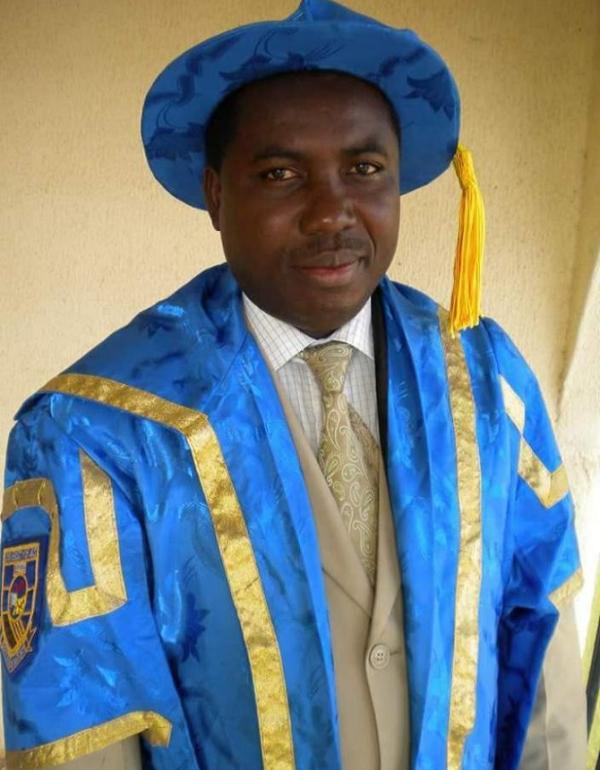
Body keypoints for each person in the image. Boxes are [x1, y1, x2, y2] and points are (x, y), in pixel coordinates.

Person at [0, 1, 587, 769]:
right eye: (281, 175)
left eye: (365, 170)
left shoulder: (484, 380)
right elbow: (81, 722)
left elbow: (541, 656)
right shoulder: (97, 431)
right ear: (216, 195)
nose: (332, 213)